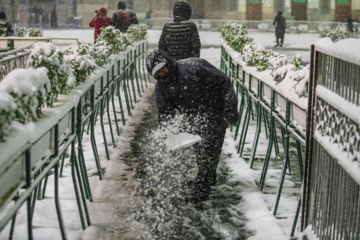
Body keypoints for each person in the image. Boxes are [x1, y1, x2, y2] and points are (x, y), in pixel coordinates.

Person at [146, 49, 239, 203]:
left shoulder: (194, 67)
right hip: (193, 118)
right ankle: (208, 177)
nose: (162, 73)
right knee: (201, 149)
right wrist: (167, 130)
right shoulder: (161, 87)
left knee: (208, 150)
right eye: (158, 72)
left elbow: (224, 82)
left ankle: (202, 188)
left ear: (168, 62)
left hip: (214, 111)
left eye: (163, 67)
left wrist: (229, 112)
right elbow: (165, 111)